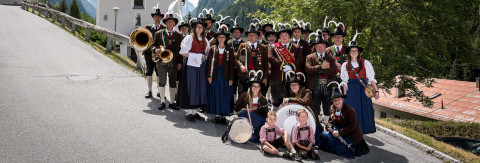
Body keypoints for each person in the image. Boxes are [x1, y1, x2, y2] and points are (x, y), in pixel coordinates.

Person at [319, 83, 370, 158]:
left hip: (350, 133)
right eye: (334, 100)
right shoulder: (332, 108)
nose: (337, 102)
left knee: (340, 146)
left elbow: (352, 126)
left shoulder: (350, 110)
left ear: (342, 99)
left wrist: (339, 132)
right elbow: (331, 121)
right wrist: (329, 126)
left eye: (338, 100)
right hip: (338, 129)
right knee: (324, 135)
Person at [340, 38, 379, 134]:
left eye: (355, 50)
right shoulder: (345, 65)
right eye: (351, 51)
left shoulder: (365, 62)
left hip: (363, 90)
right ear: (349, 53)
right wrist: (344, 94)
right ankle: (352, 133)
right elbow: (344, 81)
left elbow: (371, 79)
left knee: (363, 111)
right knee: (352, 112)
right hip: (351, 90)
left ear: (358, 52)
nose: (354, 52)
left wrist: (376, 91)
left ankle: (361, 134)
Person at [178, 18, 210, 122]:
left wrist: (204, 57)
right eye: (198, 27)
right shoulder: (189, 38)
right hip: (191, 66)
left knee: (199, 88)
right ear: (195, 28)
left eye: (201, 27)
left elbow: (207, 53)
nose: (200, 29)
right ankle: (189, 113)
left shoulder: (205, 40)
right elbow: (183, 52)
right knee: (191, 87)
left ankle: (195, 112)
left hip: (201, 67)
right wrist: (196, 56)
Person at [151, 13, 183, 110]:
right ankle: (162, 102)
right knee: (162, 81)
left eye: (172, 21)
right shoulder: (159, 33)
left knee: (173, 82)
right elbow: (153, 46)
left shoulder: (179, 35)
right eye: (168, 21)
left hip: (173, 62)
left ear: (174, 24)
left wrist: (180, 62)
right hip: (161, 62)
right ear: (166, 23)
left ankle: (172, 102)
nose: (170, 23)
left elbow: (181, 50)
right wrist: (155, 50)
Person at [268, 24, 304, 107]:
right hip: (277, 78)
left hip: (292, 78)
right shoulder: (273, 47)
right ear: (279, 37)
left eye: (286, 35)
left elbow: (300, 59)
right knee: (277, 102)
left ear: (289, 36)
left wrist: (291, 66)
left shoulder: (296, 47)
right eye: (282, 35)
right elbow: (270, 57)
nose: (284, 37)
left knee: (291, 100)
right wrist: (282, 65)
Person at [305, 34, 337, 125]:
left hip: (328, 86)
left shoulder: (330, 58)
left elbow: (334, 71)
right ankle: (317, 125)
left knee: (327, 106)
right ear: (315, 47)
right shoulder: (310, 57)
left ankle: (327, 125)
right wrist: (321, 67)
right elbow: (308, 69)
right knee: (315, 107)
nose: (320, 48)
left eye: (322, 46)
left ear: (325, 46)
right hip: (315, 86)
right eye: (318, 46)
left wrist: (322, 70)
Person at [206, 26, 235, 124]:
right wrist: (209, 76)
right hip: (215, 74)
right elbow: (209, 63)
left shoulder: (229, 49)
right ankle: (216, 115)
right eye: (219, 37)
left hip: (225, 75)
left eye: (223, 37)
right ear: (217, 38)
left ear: (226, 38)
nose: (221, 38)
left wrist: (231, 77)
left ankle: (223, 115)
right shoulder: (212, 49)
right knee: (215, 94)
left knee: (224, 95)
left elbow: (232, 64)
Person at [234, 74, 268, 143]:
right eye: (254, 86)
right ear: (251, 87)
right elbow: (236, 106)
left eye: (257, 86)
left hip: (257, 120)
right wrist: (242, 109)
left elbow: (265, 114)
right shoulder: (244, 95)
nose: (255, 88)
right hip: (245, 119)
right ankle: (246, 132)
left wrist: (255, 111)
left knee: (264, 121)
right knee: (244, 112)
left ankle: (254, 135)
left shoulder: (263, 99)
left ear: (260, 88)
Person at [235, 24, 268, 94]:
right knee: (243, 96)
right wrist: (240, 65)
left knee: (258, 96)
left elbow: (266, 63)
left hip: (259, 75)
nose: (252, 36)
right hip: (244, 75)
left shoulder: (263, 47)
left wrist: (265, 77)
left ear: (257, 36)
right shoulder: (243, 45)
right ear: (247, 36)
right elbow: (235, 59)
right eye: (250, 35)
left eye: (254, 35)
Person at [143, 7, 165, 98]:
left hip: (159, 54)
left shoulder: (164, 28)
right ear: (153, 18)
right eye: (156, 16)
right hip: (149, 53)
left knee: (159, 72)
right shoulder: (147, 28)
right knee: (149, 71)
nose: (157, 18)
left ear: (161, 18)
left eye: (159, 17)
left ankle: (160, 91)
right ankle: (149, 91)